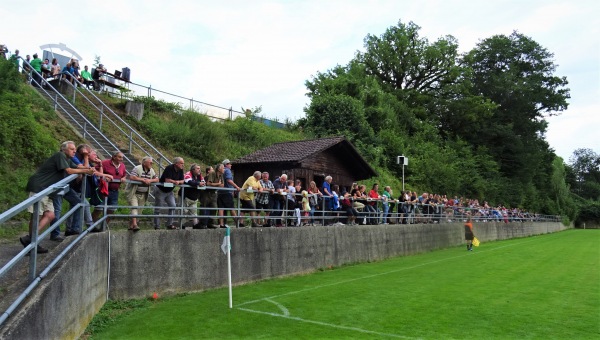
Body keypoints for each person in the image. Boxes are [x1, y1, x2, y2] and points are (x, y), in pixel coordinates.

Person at [20, 141, 94, 253]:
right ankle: (33, 243)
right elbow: (69, 171)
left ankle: (30, 239)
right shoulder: (60, 155)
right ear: (63, 149)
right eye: (71, 149)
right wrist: (87, 171)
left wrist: (86, 159)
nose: (74, 151)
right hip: (40, 188)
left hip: (49, 191)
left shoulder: (67, 159)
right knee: (36, 216)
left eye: (75, 149)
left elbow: (83, 167)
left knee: (50, 215)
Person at [92, 151, 126, 226]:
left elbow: (124, 174)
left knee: (111, 209)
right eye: (120, 157)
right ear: (114, 157)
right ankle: (91, 225)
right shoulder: (105, 163)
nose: (121, 159)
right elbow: (94, 171)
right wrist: (104, 176)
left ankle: (104, 226)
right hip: (103, 190)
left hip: (115, 191)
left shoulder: (122, 166)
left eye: (122, 157)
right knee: (99, 208)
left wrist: (123, 178)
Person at [126, 156, 158, 231]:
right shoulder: (137, 168)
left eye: (152, 162)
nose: (151, 163)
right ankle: (135, 224)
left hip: (143, 193)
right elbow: (132, 177)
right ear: (144, 162)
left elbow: (157, 179)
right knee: (134, 207)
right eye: (150, 162)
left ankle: (131, 225)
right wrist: (142, 180)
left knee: (139, 210)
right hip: (134, 192)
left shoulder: (151, 170)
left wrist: (150, 181)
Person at [154, 157, 185, 230]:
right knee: (158, 208)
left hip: (169, 191)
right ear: (176, 163)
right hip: (161, 189)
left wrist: (178, 182)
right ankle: (157, 226)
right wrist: (175, 181)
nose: (183, 165)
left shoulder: (181, 170)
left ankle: (169, 224)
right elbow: (167, 180)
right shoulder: (169, 168)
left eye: (183, 163)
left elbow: (182, 181)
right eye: (181, 163)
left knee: (173, 206)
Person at [178, 163, 205, 229]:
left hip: (194, 198)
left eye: (199, 168)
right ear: (193, 170)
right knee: (183, 211)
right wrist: (198, 183)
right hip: (185, 197)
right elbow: (189, 182)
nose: (199, 170)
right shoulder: (188, 174)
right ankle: (181, 225)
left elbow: (204, 182)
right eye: (198, 168)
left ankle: (195, 225)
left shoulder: (200, 175)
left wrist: (199, 183)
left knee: (194, 212)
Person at [218, 159, 240, 228]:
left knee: (221, 209)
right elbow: (229, 180)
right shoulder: (227, 171)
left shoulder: (220, 171)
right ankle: (237, 223)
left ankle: (221, 224)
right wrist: (236, 187)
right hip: (227, 192)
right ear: (226, 164)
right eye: (229, 164)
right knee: (231, 208)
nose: (231, 165)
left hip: (220, 192)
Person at [204, 164, 224, 228]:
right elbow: (209, 183)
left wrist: (216, 184)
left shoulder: (221, 175)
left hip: (214, 193)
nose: (224, 169)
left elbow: (222, 185)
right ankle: (203, 223)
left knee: (214, 208)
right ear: (219, 169)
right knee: (205, 207)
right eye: (223, 168)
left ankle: (211, 223)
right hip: (207, 193)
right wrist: (218, 184)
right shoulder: (212, 173)